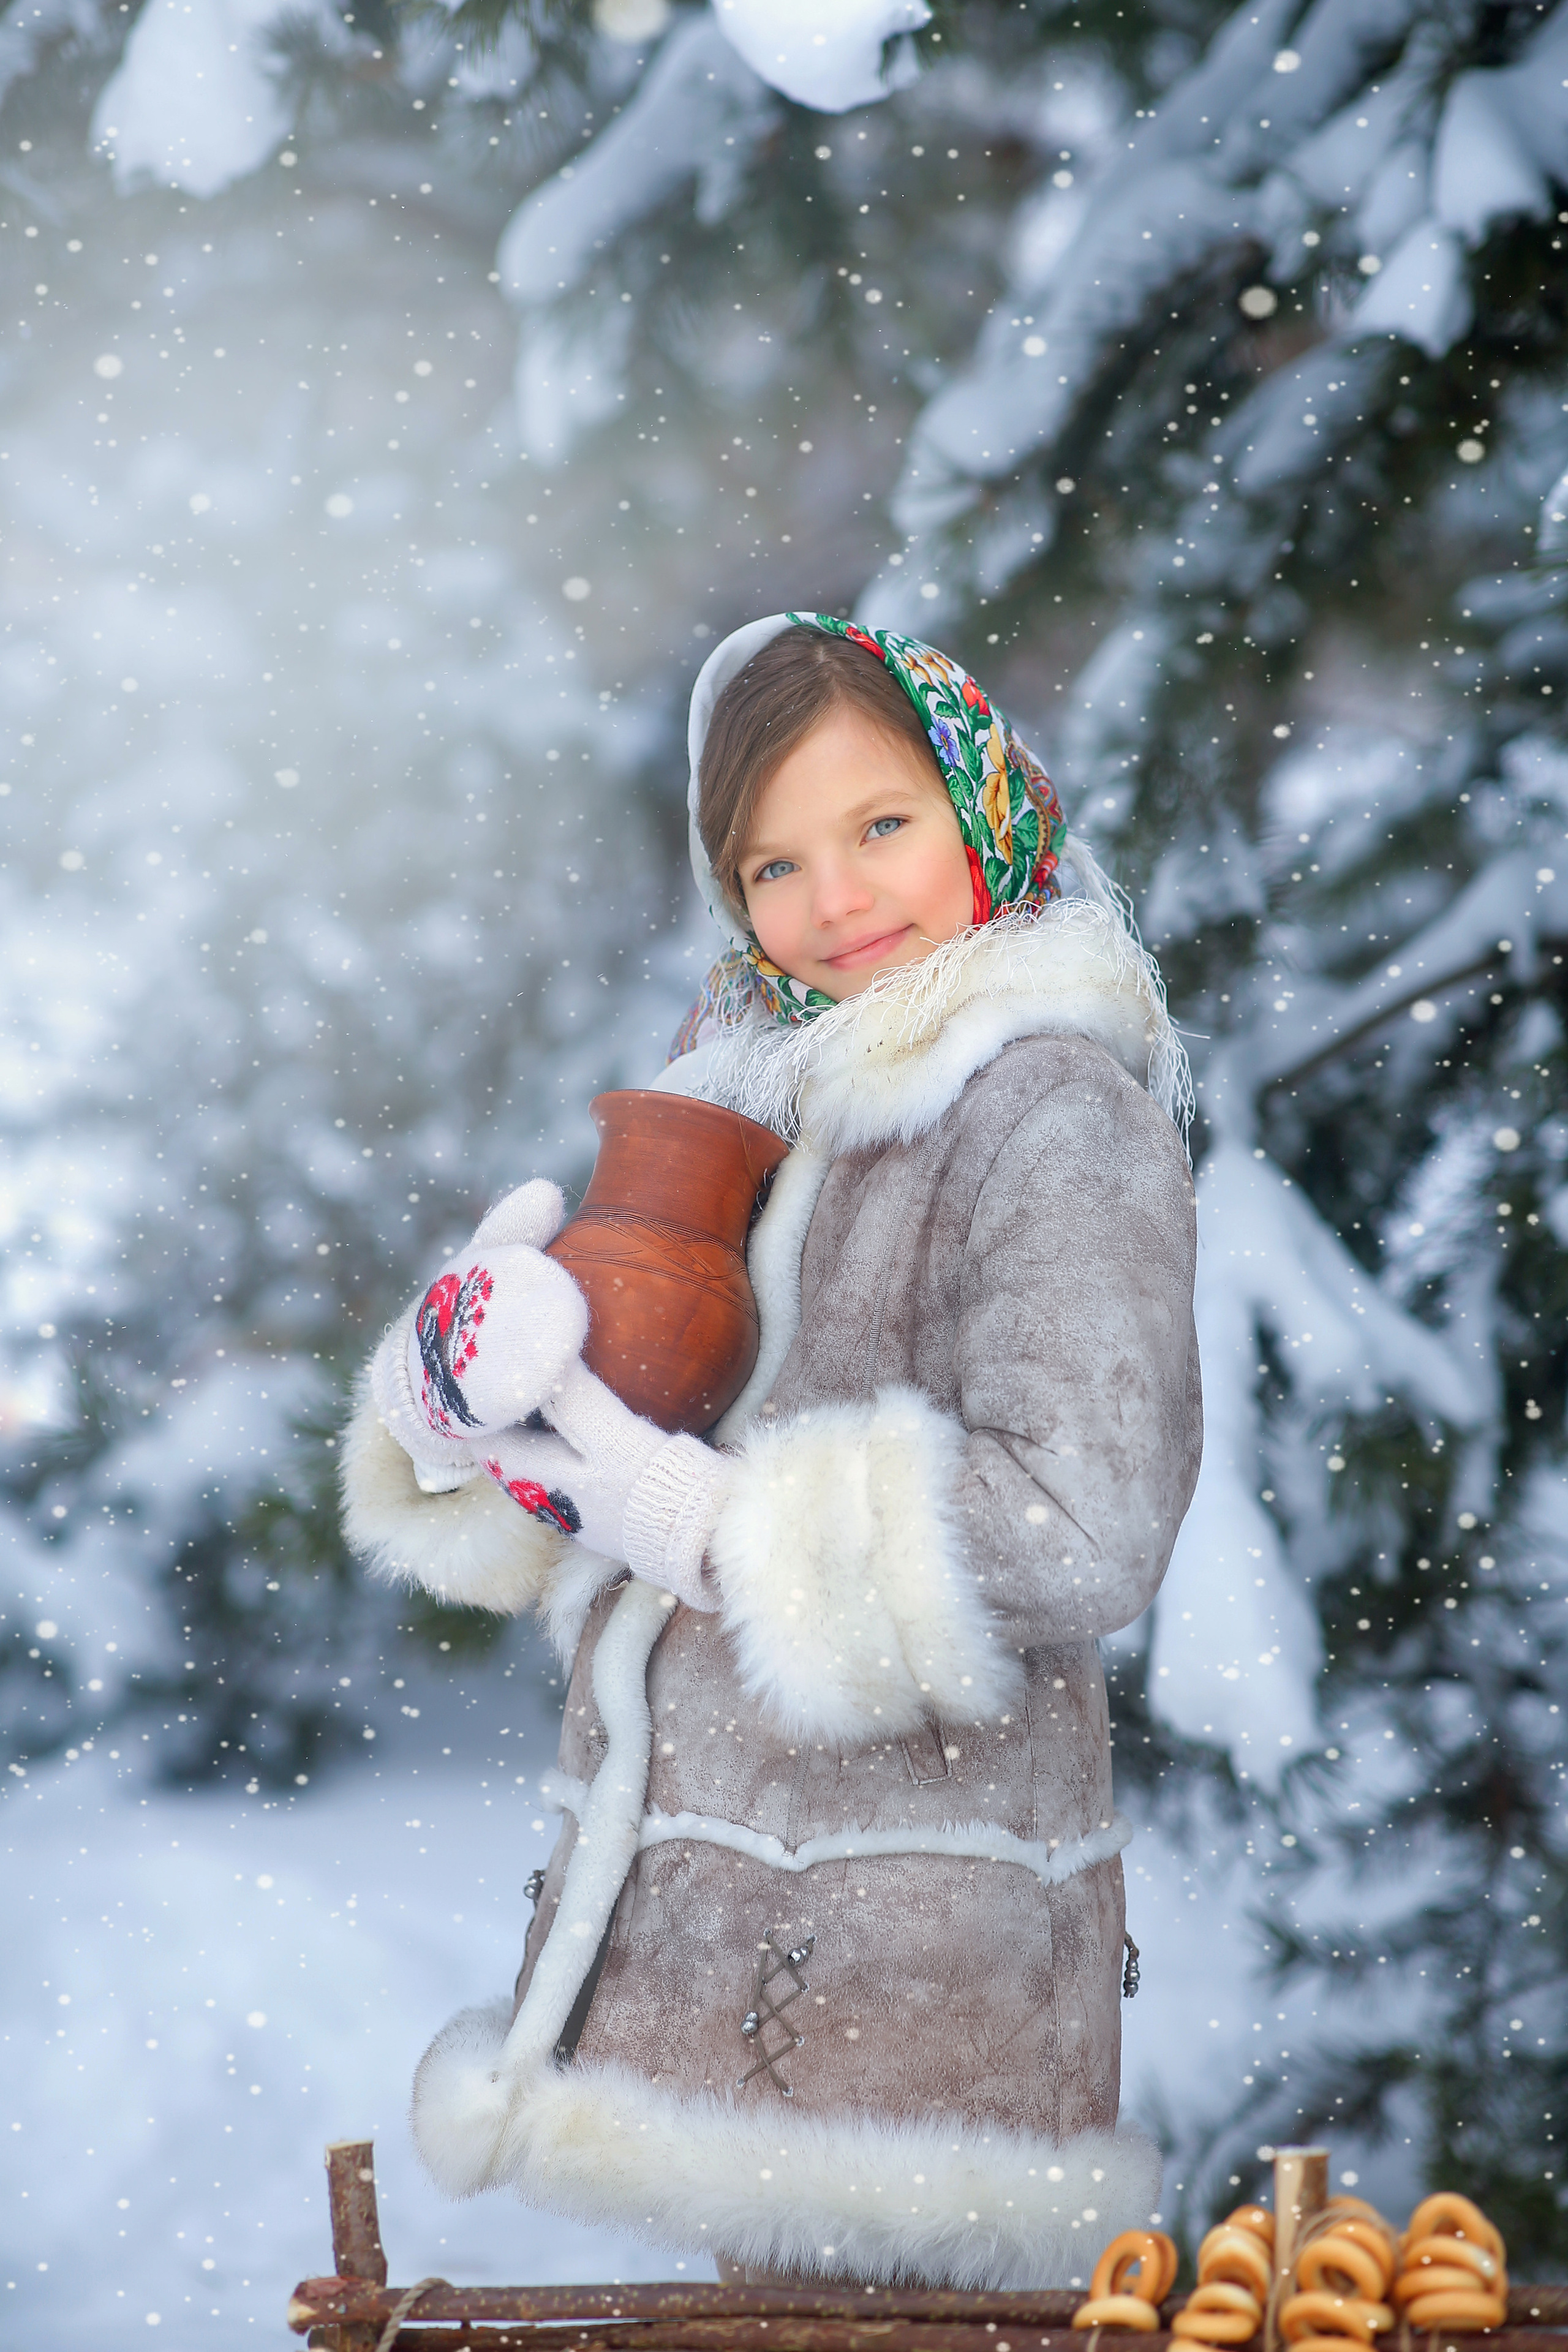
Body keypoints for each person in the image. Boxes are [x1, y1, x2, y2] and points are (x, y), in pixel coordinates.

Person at [341, 612, 1202, 2290]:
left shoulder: (1052, 1110)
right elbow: (616, 1429)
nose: (838, 900)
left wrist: (712, 1525)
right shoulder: (754, 1092)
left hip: (917, 2005)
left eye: (883, 825)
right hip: (718, 1973)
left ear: (983, 802)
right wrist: (464, 1411)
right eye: (774, 864)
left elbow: (1085, 1518)